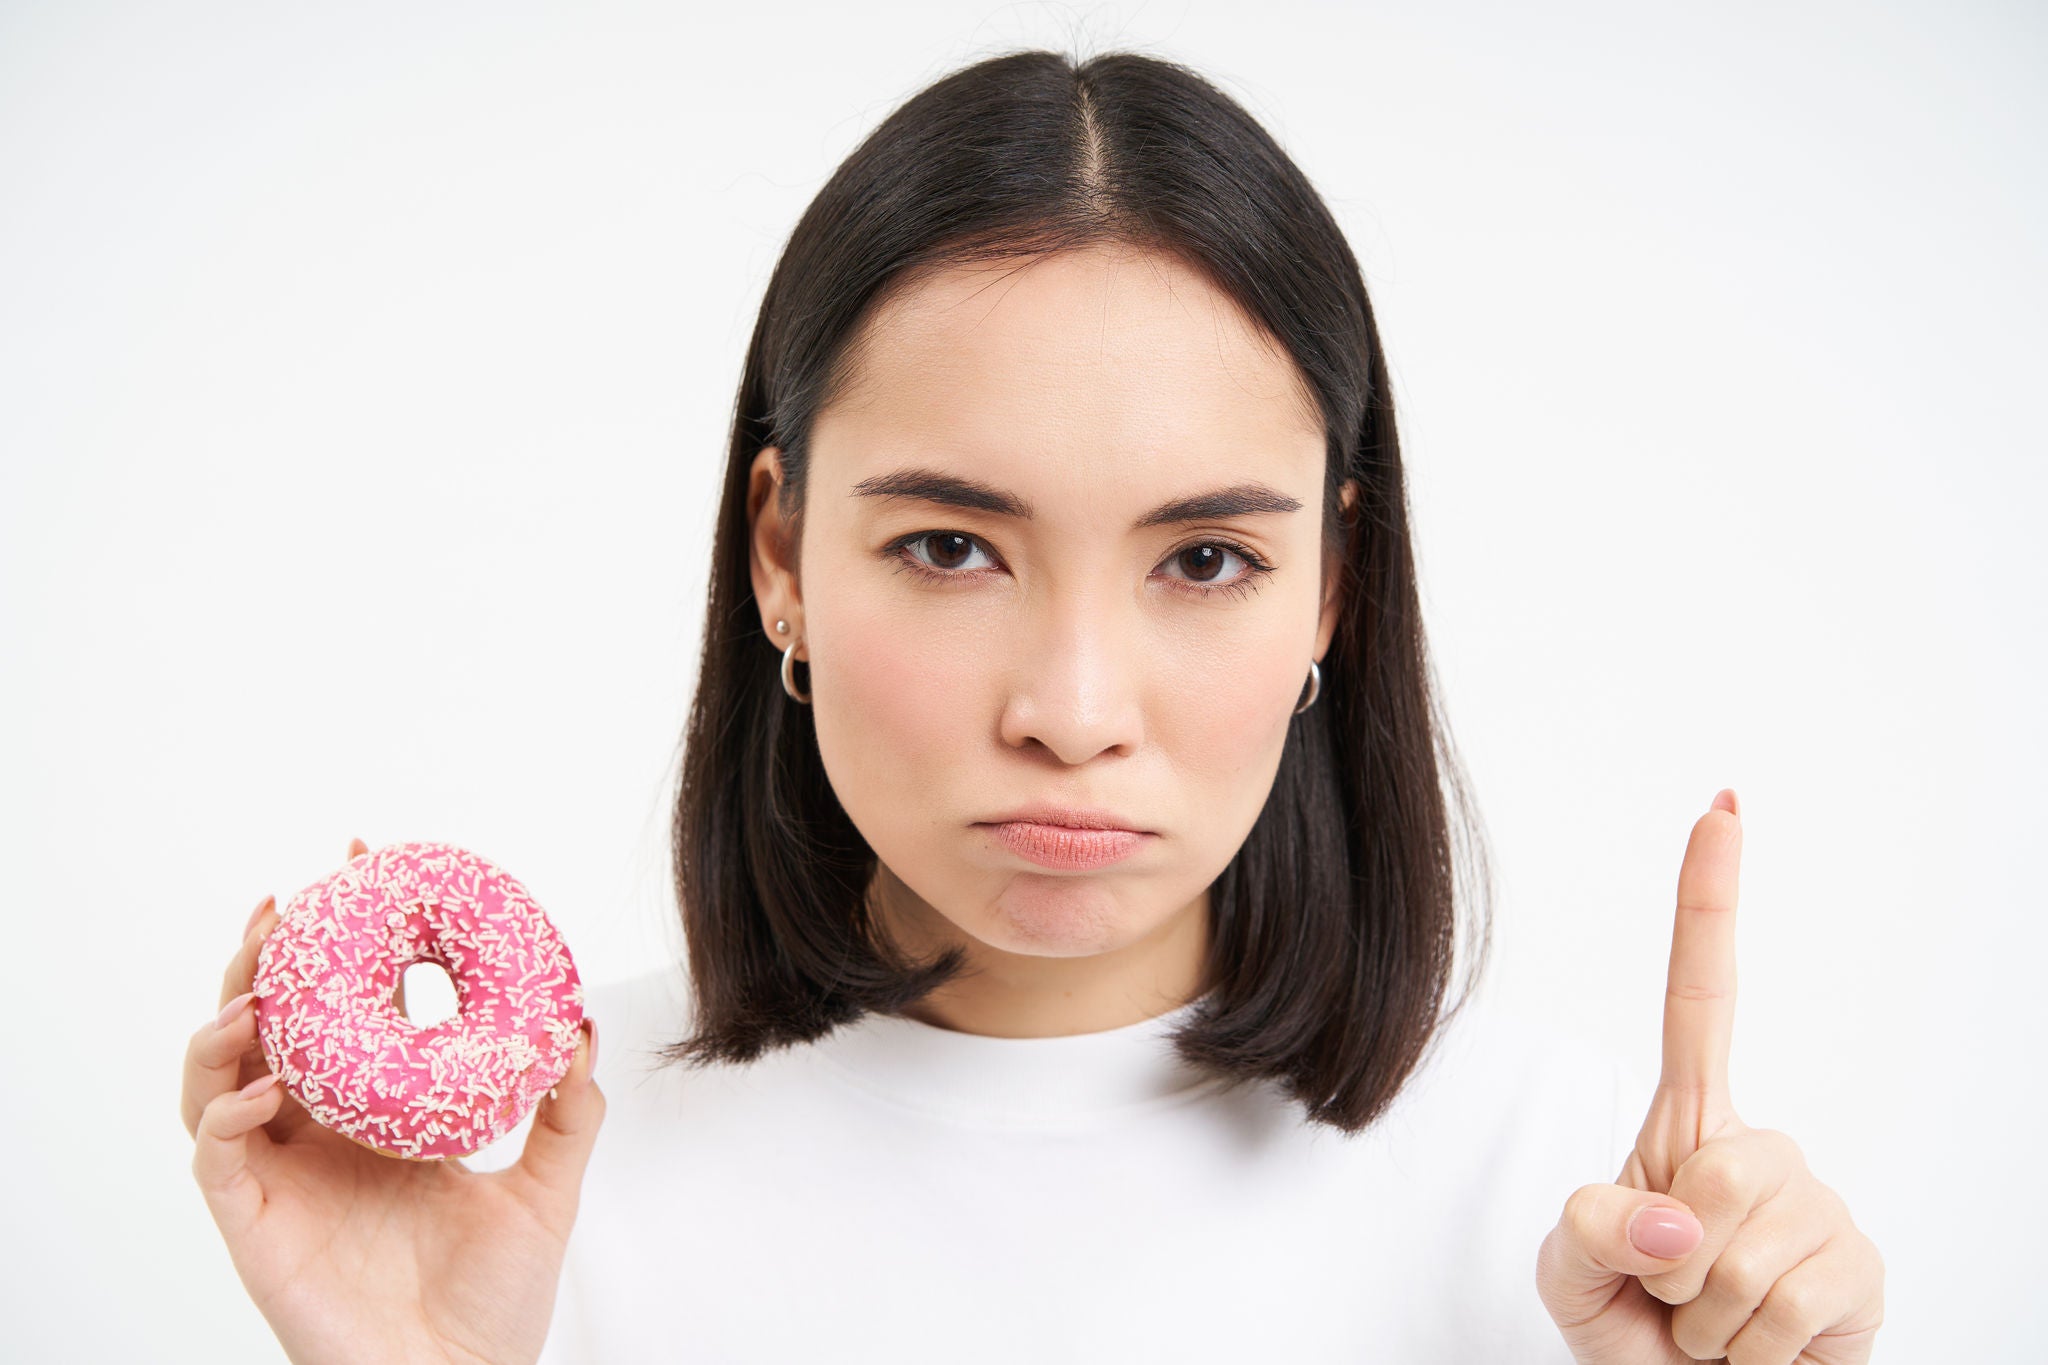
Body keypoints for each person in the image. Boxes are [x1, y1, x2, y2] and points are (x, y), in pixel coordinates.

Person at [182, 47, 1884, 1363]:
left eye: (1205, 559)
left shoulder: (1588, 1213)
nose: (1073, 711)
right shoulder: (524, 1181)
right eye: (948, 544)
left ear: (1334, 593)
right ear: (778, 552)